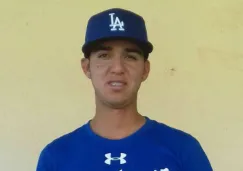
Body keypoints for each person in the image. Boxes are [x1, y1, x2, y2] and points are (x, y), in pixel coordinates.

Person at [36, 8, 213, 171]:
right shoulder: (56, 157)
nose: (118, 68)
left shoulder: (184, 150)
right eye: (104, 56)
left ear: (145, 69)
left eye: (130, 56)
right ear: (86, 67)